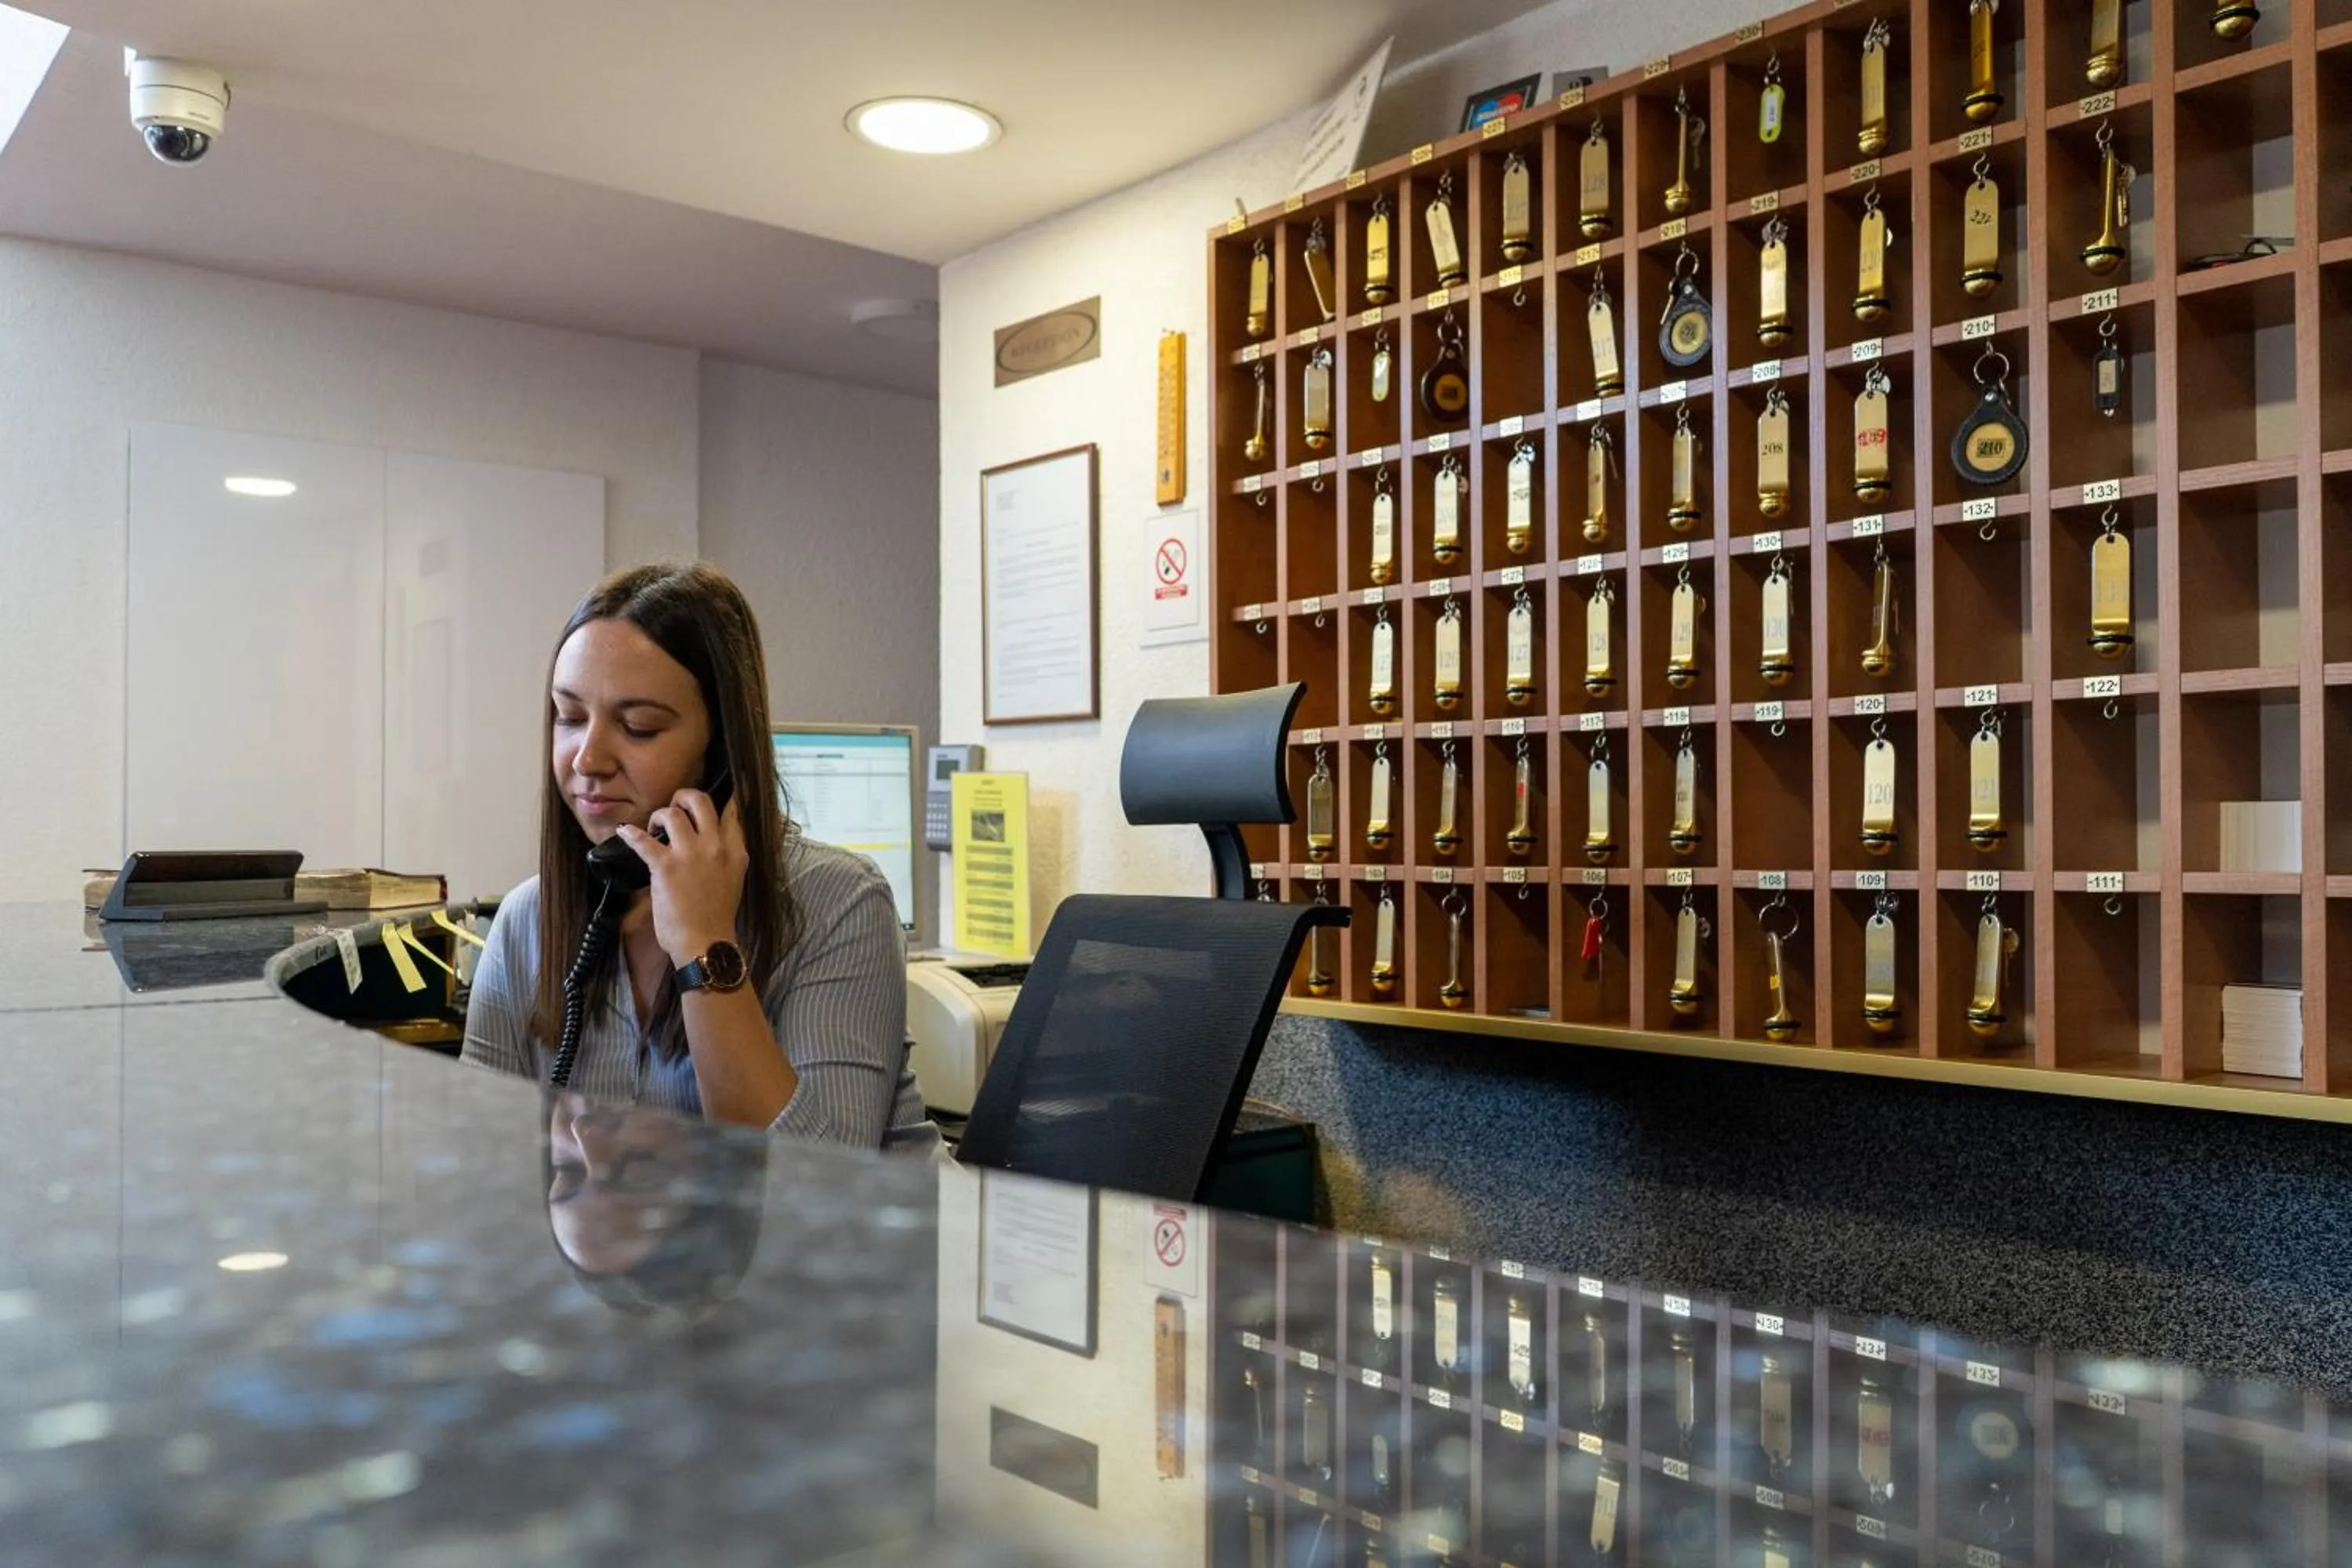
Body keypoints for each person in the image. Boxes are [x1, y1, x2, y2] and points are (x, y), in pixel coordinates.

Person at [463, 561, 940, 1152]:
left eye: (637, 728)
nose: (587, 759)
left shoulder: (838, 903)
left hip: (853, 1243)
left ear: (720, 753)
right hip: (638, 1247)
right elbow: (483, 1165)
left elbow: (817, 1184)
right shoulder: (525, 923)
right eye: (570, 718)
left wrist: (703, 943)